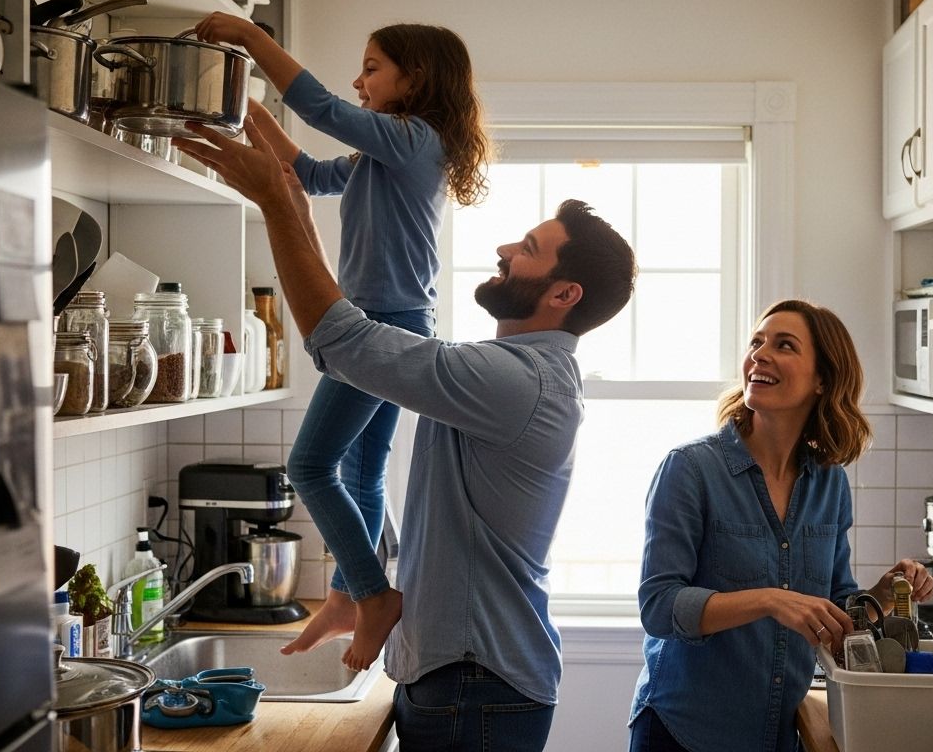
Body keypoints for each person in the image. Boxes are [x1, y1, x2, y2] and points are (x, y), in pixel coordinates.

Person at [173, 115, 637, 752]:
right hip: (469, 680)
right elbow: (353, 338)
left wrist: (279, 204)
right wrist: (293, 203)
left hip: (476, 686)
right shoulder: (507, 373)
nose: (505, 249)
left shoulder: (515, 381)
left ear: (564, 293)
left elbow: (345, 338)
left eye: (528, 247)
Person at [190, 14, 491, 669]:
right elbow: (306, 174)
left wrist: (250, 38)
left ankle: (371, 596)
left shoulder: (413, 139)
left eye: (373, 68)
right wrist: (243, 109)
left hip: (381, 326)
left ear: (415, 78)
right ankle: (347, 595)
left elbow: (321, 107)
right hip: (399, 323)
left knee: (311, 467)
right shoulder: (385, 151)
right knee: (359, 470)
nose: (360, 80)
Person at [627, 299, 933, 752]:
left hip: (775, 735)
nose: (760, 355)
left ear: (822, 380)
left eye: (784, 345)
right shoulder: (690, 470)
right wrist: (769, 600)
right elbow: (658, 606)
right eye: (757, 342)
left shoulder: (829, 483)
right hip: (683, 732)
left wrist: (884, 595)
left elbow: (832, 612)